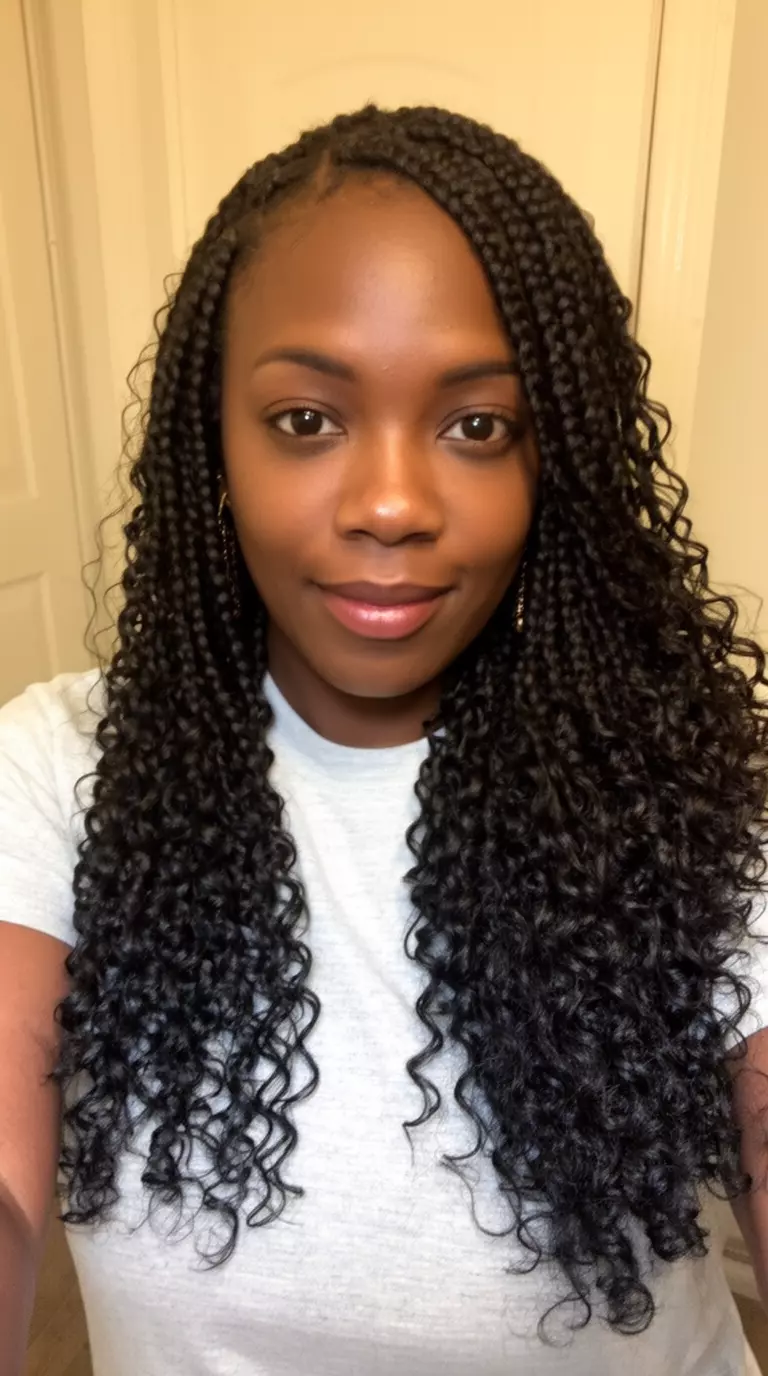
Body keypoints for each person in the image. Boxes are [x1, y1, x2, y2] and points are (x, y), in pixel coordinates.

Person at [0, 103, 767, 1376]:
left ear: (555, 460)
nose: (395, 504)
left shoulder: (672, 785)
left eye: (479, 425)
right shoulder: (62, 768)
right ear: (217, 446)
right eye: (308, 419)